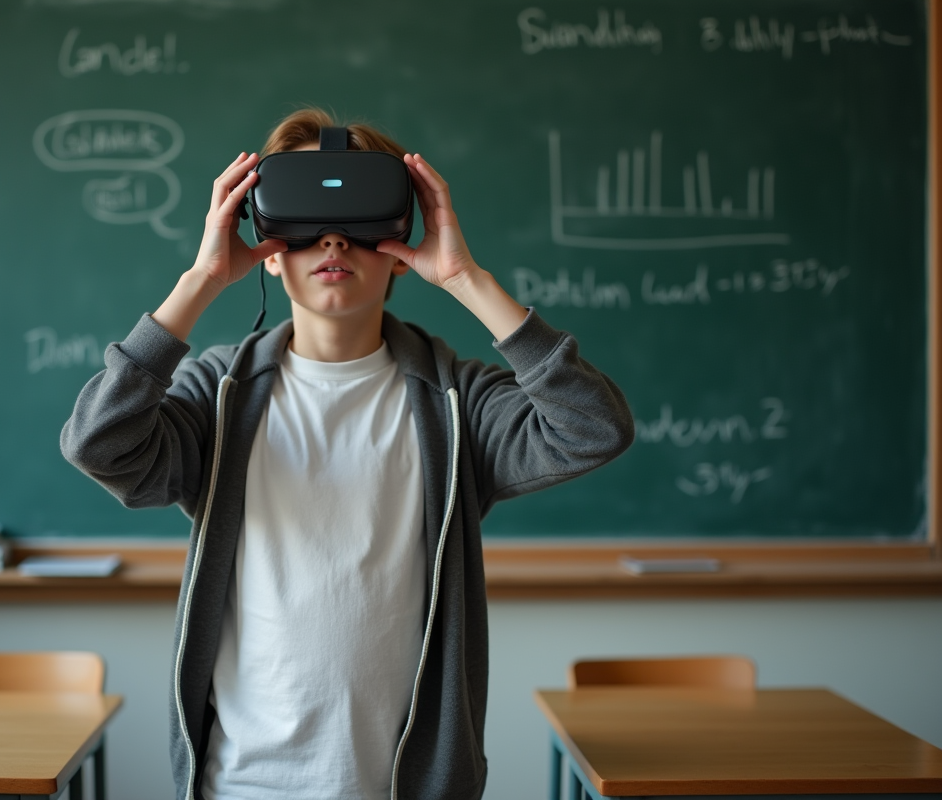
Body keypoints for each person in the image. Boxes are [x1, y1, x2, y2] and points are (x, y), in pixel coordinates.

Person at [60, 108, 634, 800]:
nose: (333, 239)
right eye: (304, 221)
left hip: (405, 786)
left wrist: (465, 278)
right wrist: (201, 282)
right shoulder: (220, 395)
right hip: (241, 783)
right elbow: (98, 442)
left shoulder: (455, 402)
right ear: (267, 242)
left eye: (360, 219)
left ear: (401, 238)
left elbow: (594, 428)